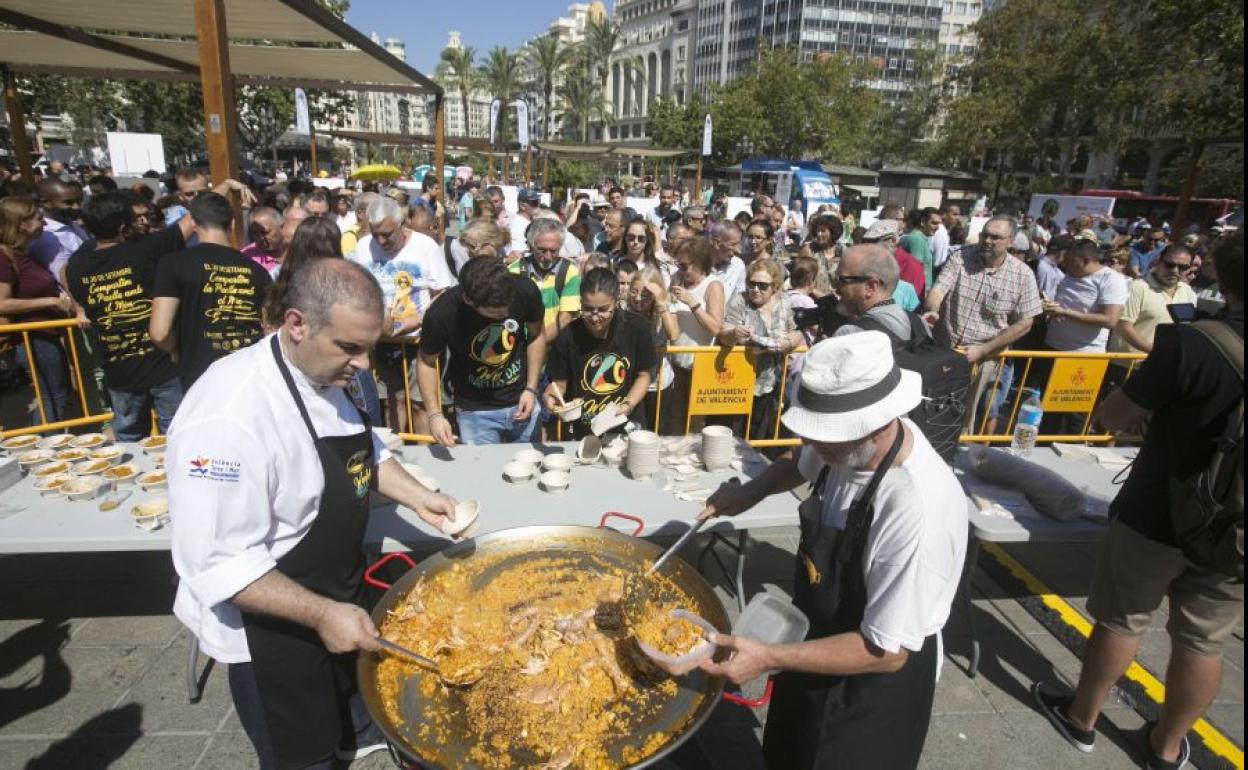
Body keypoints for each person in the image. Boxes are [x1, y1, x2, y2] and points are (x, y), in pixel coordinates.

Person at [169, 258, 458, 770]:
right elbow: (218, 562)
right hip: (268, 633)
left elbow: (361, 448)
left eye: (369, 348)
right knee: (303, 756)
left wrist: (415, 495)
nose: (365, 366)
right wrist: (323, 614)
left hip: (335, 595)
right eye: (350, 348)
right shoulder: (229, 416)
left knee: (345, 720)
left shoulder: (321, 371)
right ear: (296, 323)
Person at [696, 331, 968, 769]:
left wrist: (766, 656)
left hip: (874, 681)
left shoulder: (915, 507)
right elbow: (797, 464)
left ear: (877, 424)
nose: (815, 445)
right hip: (816, 641)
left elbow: (887, 651)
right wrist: (748, 493)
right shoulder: (845, 445)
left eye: (826, 436)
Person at [1032, 233, 1244, 770]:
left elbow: (1115, 417)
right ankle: (1167, 747)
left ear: (1218, 272)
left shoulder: (1192, 342)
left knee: (1123, 619)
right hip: (1236, 530)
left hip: (1159, 509)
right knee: (1203, 641)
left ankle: (1082, 718)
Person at [66, 180, 254, 440]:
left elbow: (69, 282)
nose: (140, 224)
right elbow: (194, 219)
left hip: (117, 369)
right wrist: (224, 186)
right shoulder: (144, 249)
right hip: (163, 365)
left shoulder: (76, 265)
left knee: (128, 438)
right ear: (123, 227)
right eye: (134, 220)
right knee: (177, 434)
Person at [924, 215, 1042, 431]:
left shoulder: (1023, 275)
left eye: (995, 237)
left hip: (984, 357)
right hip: (946, 350)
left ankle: (957, 455)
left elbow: (1026, 322)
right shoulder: (959, 258)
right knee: (934, 408)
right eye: (984, 235)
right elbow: (939, 289)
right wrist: (933, 310)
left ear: (1011, 241)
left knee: (966, 416)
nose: (988, 241)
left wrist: (984, 349)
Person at [416, 256, 546, 446]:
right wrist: (435, 415)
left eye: (508, 308)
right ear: (468, 300)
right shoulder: (442, 313)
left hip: (521, 399)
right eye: (495, 313)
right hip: (474, 411)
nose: (505, 315)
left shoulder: (525, 289)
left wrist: (531, 389)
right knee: (482, 471)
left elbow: (536, 335)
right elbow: (426, 362)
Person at [149, 192, 273, 390]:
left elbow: (159, 332)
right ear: (232, 224)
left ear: (193, 224)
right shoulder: (257, 271)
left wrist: (177, 350)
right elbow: (270, 328)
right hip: (249, 373)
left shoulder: (173, 264)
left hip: (200, 375)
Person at [543, 267, 657, 438]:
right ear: (580, 302)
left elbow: (644, 375)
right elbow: (559, 384)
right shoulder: (567, 336)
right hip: (584, 429)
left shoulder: (637, 327)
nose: (595, 317)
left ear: (616, 300)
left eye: (603, 309)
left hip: (627, 423)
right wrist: (550, 397)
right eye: (588, 309)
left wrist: (627, 405)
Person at [0, 196, 75, 424]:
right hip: (32, 337)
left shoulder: (21, 254)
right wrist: (51, 302)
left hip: (43, 336)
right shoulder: (4, 258)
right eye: (39, 219)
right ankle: (46, 448)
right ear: (21, 224)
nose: (44, 224)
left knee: (55, 394)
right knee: (53, 396)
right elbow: (2, 303)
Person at [719, 258, 802, 439]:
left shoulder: (784, 302)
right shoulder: (740, 300)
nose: (755, 289)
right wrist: (734, 332)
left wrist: (786, 344)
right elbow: (723, 334)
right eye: (752, 283)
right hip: (740, 381)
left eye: (762, 285)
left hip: (773, 380)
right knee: (737, 435)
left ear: (775, 286)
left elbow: (796, 331)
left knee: (761, 435)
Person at [1106, 243, 1196, 390]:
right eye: (1169, 264)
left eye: (1183, 267)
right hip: (1126, 367)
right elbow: (1124, 327)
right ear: (1158, 260)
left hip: (1162, 369)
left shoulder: (1187, 292)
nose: (1175, 271)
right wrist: (1157, 352)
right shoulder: (1137, 287)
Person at [665, 237, 725, 431]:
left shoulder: (713, 286)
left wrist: (693, 303)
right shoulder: (676, 278)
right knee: (673, 422)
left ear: (700, 263)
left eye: (684, 266)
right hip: (675, 364)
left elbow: (716, 327)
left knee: (694, 426)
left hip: (699, 367)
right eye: (678, 264)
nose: (680, 269)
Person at [1043, 239, 1128, 354]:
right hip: (1052, 346)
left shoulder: (1111, 280)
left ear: (1086, 260)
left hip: (1083, 353)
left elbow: (1110, 320)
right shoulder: (1070, 274)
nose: (1064, 263)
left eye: (1070, 260)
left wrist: (1065, 313)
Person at [508, 217, 581, 343]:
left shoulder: (569, 272)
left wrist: (538, 345)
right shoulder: (514, 272)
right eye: (542, 250)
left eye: (554, 251)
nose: (548, 257)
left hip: (554, 348)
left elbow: (566, 316)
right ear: (531, 245)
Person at [626, 265, 680, 427]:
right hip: (632, 382)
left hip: (658, 383)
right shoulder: (623, 308)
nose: (638, 299)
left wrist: (661, 302)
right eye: (634, 292)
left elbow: (674, 335)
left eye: (645, 295)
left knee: (656, 431)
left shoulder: (665, 308)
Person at [832, 244, 919, 341]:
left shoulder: (850, 334)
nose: (835, 287)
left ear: (871, 287)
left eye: (842, 280)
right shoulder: (919, 324)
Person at [27, 178, 88, 282]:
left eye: (78, 201)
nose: (76, 207)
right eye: (68, 202)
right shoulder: (46, 238)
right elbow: (66, 279)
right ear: (45, 202)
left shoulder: (70, 223)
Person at [862, 218, 925, 299]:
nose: (868, 246)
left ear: (893, 241)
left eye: (874, 241)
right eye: (865, 242)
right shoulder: (875, 261)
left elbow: (906, 303)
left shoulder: (911, 267)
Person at [900, 207, 939, 293]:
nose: (937, 227)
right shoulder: (916, 239)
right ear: (923, 222)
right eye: (934, 223)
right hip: (917, 294)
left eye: (938, 224)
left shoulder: (920, 238)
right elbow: (916, 270)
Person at [242, 207, 285, 273]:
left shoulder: (295, 248)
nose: (260, 238)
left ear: (282, 227)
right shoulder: (246, 256)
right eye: (255, 233)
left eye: (265, 232)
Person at [709, 221, 746, 296]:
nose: (738, 250)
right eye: (733, 244)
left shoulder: (737, 265)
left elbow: (739, 297)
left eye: (738, 243)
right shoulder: (696, 264)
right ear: (717, 243)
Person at [507, 188, 543, 260]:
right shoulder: (517, 225)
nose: (538, 205)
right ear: (522, 206)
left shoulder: (527, 222)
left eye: (538, 201)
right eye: (534, 203)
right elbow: (516, 254)